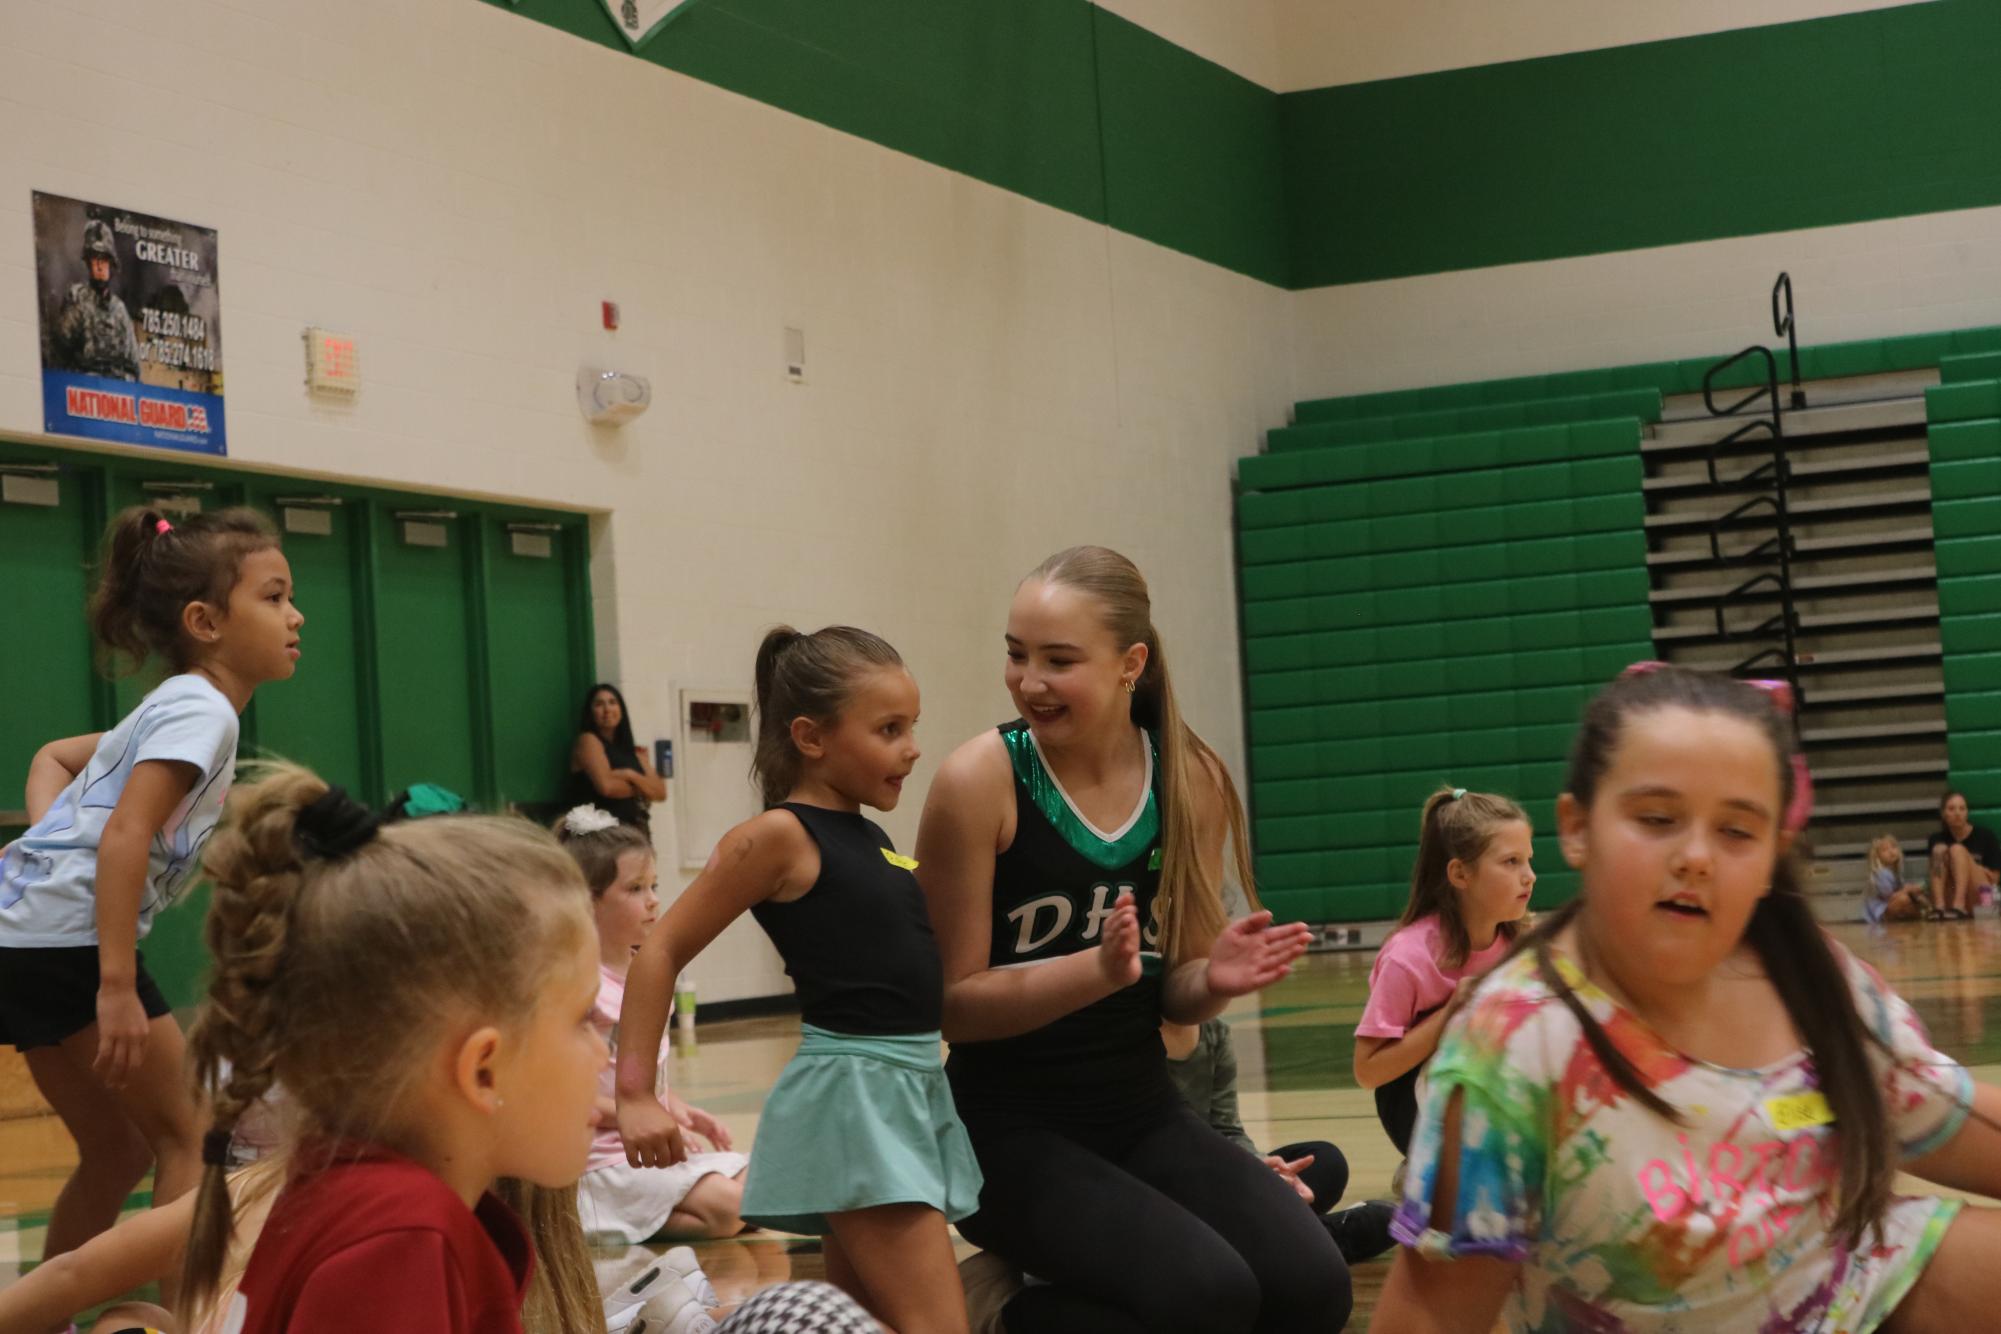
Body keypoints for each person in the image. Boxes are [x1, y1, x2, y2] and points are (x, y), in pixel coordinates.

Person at [1377, 663, 2001, 1331]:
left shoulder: (1809, 977)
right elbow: (1428, 1314)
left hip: (1850, 1287)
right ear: (1577, 827)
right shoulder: (1514, 1045)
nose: (1696, 856)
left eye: (1736, 830)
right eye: (1656, 817)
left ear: (1770, 854)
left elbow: (1954, 1118)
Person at [916, 545, 1340, 1334]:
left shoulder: (1189, 778)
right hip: (1006, 1133)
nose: (1028, 680)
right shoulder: (978, 781)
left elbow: (1176, 987)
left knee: (1312, 1284)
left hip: (1140, 1112)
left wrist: (1215, 979)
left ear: (1129, 664)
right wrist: (1095, 971)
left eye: (1058, 659)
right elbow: (952, 1008)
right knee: (1207, 1294)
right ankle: (1011, 1312)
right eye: (1016, 654)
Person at [616, 626, 980, 1334]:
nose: (911, 747)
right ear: (811, 738)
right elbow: (658, 951)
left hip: (901, 1089)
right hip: (857, 1098)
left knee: (870, 1323)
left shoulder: (871, 837)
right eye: (888, 729)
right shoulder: (778, 837)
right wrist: (633, 1091)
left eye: (912, 727)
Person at [179, 765, 607, 1333]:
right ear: (482, 1069)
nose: (604, 1051)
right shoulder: (400, 1238)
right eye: (583, 1018)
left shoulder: (370, 1204)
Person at [0, 507, 299, 1308]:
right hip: (64, 945)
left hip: (18, 938)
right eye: (273, 598)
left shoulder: (170, 704)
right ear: (205, 622)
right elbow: (129, 831)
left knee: (117, 1148)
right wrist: (117, 983)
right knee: (190, 1135)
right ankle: (186, 1319)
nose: (295, 615)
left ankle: (41, 1320)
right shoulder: (202, 712)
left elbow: (53, 758)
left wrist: (51, 842)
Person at [553, 808, 748, 1241]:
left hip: (646, 1146)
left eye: (654, 886)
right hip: (604, 1159)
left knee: (763, 1186)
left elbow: (635, 1072)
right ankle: (585, 1219)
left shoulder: (647, 971)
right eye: (636, 889)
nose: (654, 899)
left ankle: (634, 1216)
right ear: (587, 901)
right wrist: (642, 1115)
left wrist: (677, 1107)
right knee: (732, 1208)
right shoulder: (575, 984)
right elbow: (567, 1096)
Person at [1352, 787, 1534, 1157]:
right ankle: (1432, 1173)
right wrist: (1452, 1013)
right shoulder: (1409, 957)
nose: (1529, 876)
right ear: (1460, 874)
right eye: (1511, 862)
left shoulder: (1521, 944)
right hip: (1417, 1103)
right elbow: (1367, 1071)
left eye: (1529, 860)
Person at [1162, 1017, 1395, 1262]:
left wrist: (1262, 1168)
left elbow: (1227, 1129)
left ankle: (1276, 1241)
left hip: (1218, 1182)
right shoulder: (1135, 1040)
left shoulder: (1214, 1032)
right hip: (1168, 1195)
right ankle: (1317, 1239)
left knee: (1327, 1161)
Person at [564, 684, 667, 834]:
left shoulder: (635, 752)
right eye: (599, 704)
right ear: (590, 712)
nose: (607, 710)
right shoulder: (588, 740)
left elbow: (660, 793)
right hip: (600, 833)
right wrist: (644, 789)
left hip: (635, 829)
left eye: (612, 702)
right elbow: (607, 787)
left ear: (621, 709)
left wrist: (629, 775)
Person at [50, 219, 140, 381]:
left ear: (111, 264)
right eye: (95, 259)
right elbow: (59, 351)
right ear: (88, 263)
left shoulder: (120, 310)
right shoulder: (77, 300)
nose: (99, 266)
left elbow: (134, 367)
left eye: (104, 259)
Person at [1928, 790, 2000, 920]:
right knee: (1939, 851)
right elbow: (1935, 875)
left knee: (1956, 849)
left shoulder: (1985, 836)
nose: (1957, 813)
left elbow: (1994, 879)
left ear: (1967, 812)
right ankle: (1938, 908)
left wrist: (1969, 864)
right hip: (1950, 894)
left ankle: (1959, 905)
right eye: (1951, 809)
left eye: (1962, 808)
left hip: (1980, 897)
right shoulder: (1936, 839)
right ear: (1943, 814)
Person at [1867, 833, 1928, 924]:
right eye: (1885, 850)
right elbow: (1889, 897)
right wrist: (1907, 890)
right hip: (1882, 909)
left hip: (1892, 903)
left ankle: (1920, 913)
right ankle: (1914, 915)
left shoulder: (1895, 872)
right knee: (1904, 899)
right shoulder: (1881, 874)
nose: (1891, 852)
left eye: (1893, 847)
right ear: (1877, 857)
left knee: (1918, 896)